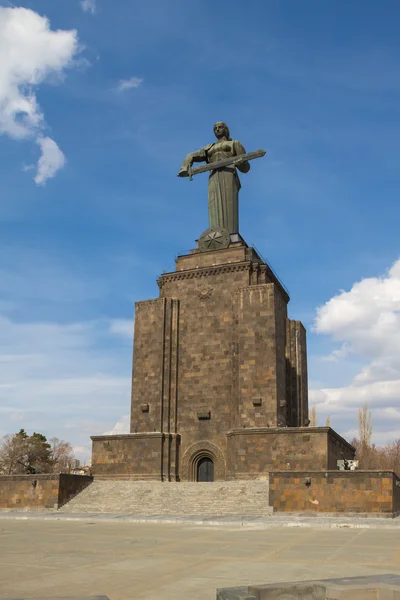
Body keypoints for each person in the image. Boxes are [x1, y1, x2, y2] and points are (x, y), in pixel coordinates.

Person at [178, 122, 250, 235]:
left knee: (228, 205)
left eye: (220, 127)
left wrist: (241, 163)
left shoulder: (235, 144)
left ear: (225, 129)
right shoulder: (209, 148)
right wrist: (185, 167)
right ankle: (215, 233)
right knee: (214, 204)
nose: (217, 129)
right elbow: (192, 155)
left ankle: (230, 234)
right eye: (215, 128)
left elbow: (246, 168)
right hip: (214, 176)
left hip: (228, 174)